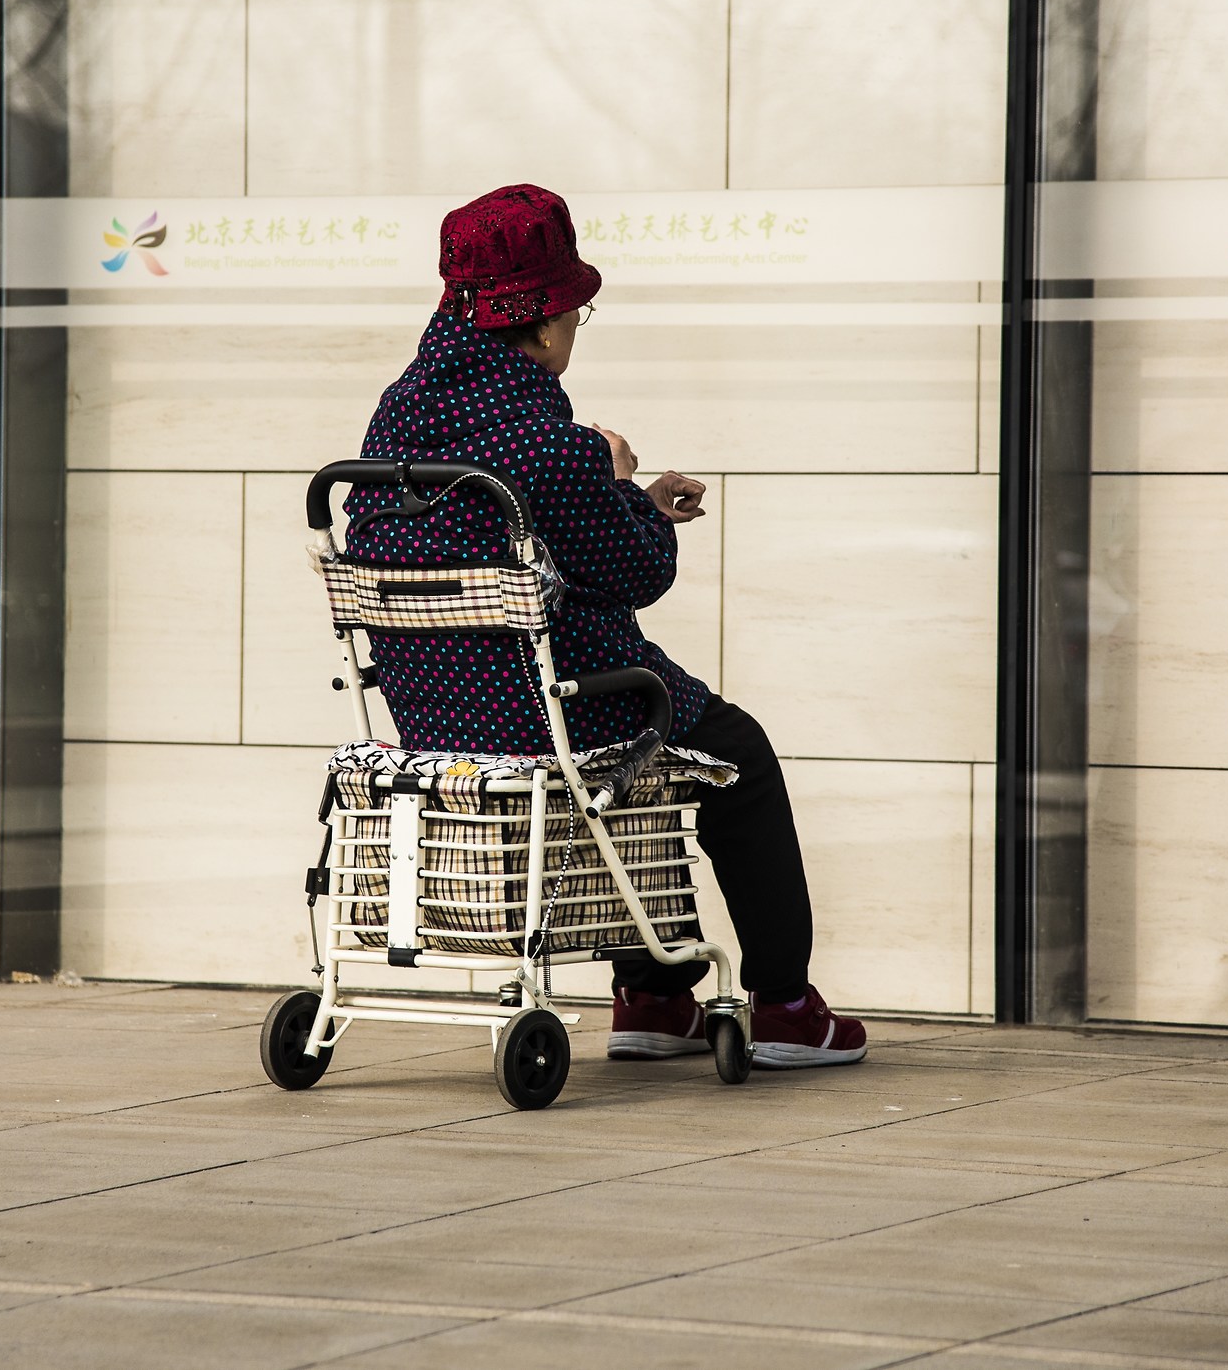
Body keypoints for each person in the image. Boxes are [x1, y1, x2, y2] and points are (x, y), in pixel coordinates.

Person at [344, 184, 866, 1069]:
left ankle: (655, 996)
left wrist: (623, 498)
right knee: (733, 751)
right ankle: (784, 1006)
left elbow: (522, 542)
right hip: (551, 707)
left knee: (633, 770)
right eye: (576, 313)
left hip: (435, 717)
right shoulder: (548, 441)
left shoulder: (399, 412)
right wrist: (623, 484)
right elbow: (636, 574)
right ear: (546, 322)